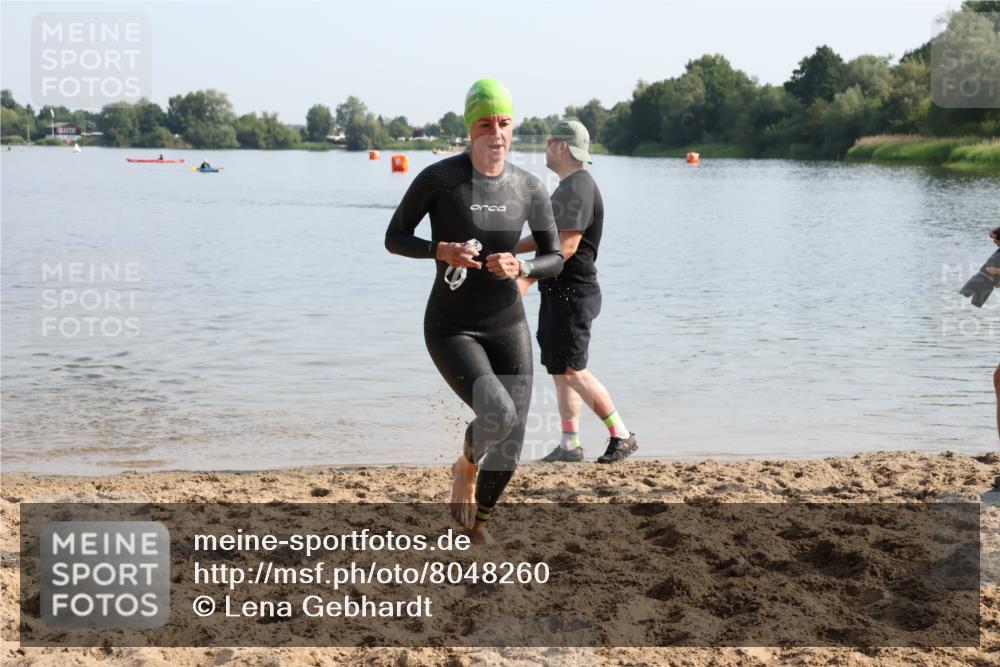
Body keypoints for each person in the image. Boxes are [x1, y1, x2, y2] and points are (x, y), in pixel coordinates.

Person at [385, 79, 563, 542]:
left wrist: (521, 264)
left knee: (515, 433)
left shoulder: (529, 186)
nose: (496, 132)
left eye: (504, 122)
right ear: (470, 128)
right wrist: (438, 250)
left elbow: (555, 256)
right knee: (498, 416)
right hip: (452, 327)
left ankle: (479, 525)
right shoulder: (440, 179)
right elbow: (394, 237)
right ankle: (465, 465)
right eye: (485, 123)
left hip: (507, 322)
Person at [514, 120, 637, 464]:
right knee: (560, 369)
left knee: (573, 368)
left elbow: (565, 248)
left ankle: (621, 434)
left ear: (562, 147)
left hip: (574, 294)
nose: (545, 147)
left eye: (549, 142)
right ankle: (570, 445)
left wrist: (524, 276)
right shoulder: (567, 187)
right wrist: (509, 251)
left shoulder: (579, 187)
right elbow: (546, 238)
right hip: (559, 292)